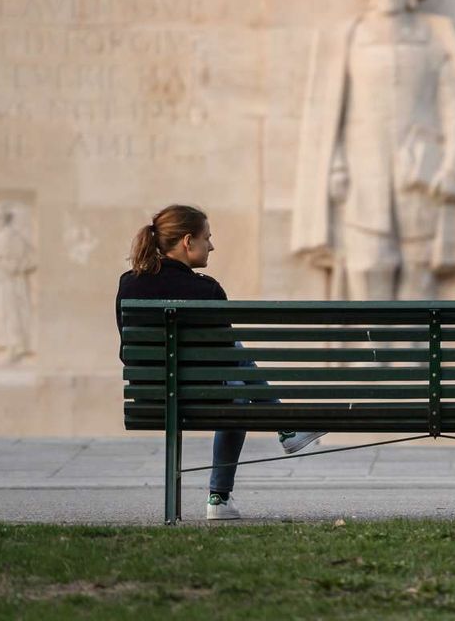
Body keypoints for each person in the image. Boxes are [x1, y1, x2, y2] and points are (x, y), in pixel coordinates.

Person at [290, 0, 455, 301]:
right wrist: (334, 164)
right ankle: (370, 359)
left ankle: (415, 359)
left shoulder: (434, 38)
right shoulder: (349, 38)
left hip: (419, 175)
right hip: (361, 176)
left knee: (418, 270)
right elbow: (329, 114)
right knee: (368, 267)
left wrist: (454, 166)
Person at [115, 205, 323, 520]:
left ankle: (288, 428)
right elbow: (226, 354)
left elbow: (126, 347)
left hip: (151, 396)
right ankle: (222, 494)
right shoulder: (206, 288)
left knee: (235, 371)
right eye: (207, 238)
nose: (211, 245)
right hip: (208, 397)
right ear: (188, 241)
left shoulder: (128, 284)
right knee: (236, 382)